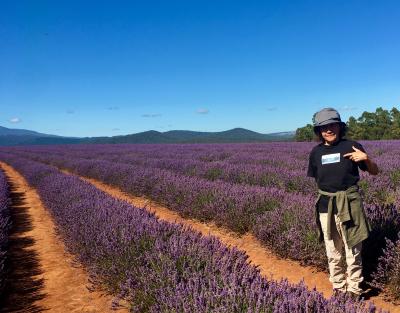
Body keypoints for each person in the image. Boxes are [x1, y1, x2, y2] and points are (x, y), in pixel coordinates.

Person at [307, 108, 379, 300]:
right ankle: (338, 287)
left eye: (332, 125)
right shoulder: (315, 153)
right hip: (326, 207)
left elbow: (374, 172)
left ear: (340, 126)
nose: (328, 130)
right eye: (323, 127)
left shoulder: (352, 146)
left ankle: (354, 289)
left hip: (350, 204)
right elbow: (318, 180)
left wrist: (367, 159)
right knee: (332, 250)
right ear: (319, 130)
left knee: (353, 249)